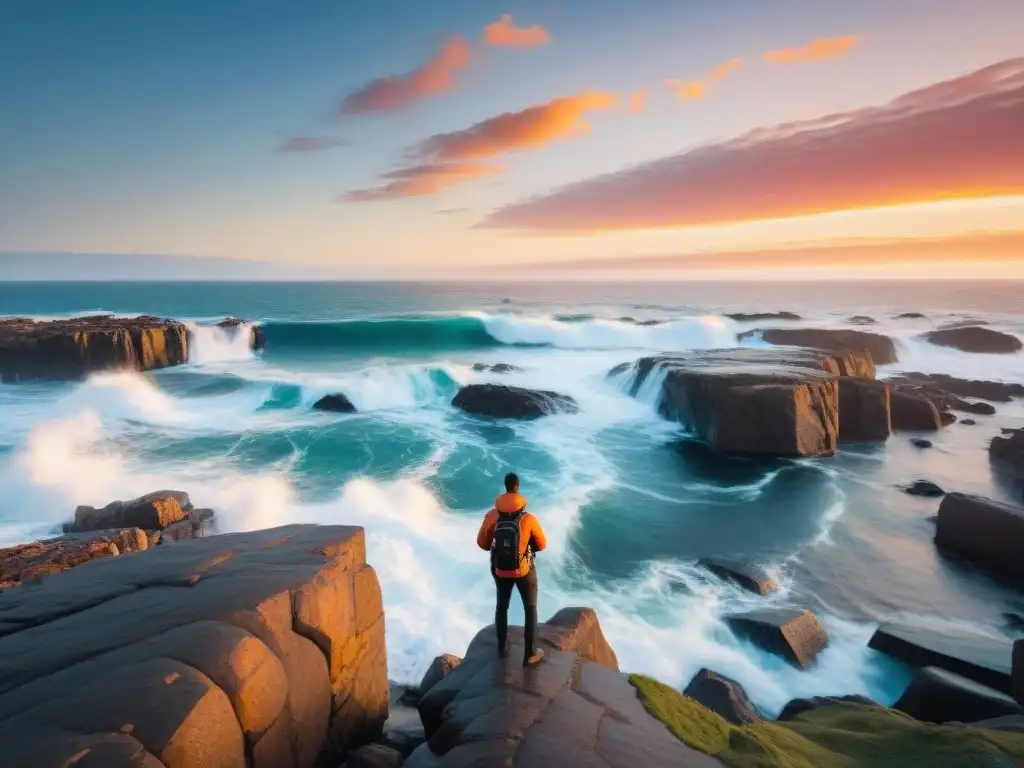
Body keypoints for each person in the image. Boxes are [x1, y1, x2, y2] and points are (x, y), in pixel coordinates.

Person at [476, 472, 548, 666]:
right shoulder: (529, 519)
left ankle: (501, 647)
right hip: (524, 570)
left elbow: (482, 544)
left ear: (506, 487)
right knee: (530, 608)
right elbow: (541, 545)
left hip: (500, 569)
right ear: (517, 487)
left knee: (502, 605)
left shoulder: (492, 515)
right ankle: (530, 653)